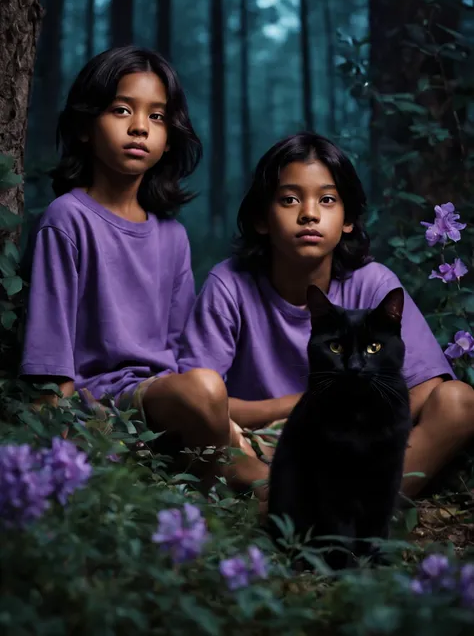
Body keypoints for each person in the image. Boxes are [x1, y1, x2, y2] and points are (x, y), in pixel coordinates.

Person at [178, 132, 474, 499]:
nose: (309, 214)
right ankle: (280, 505)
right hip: (261, 444)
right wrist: (290, 408)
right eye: (289, 199)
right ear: (261, 219)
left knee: (459, 400)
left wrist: (339, 416)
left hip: (359, 445)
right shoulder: (229, 285)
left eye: (328, 200)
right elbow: (196, 399)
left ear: (347, 218)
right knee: (217, 432)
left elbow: (428, 386)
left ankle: (376, 508)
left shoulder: (373, 283)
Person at [20, 45, 261, 494]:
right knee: (209, 395)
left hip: (166, 401)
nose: (138, 128)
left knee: (217, 408)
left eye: (156, 116)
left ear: (170, 136)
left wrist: (218, 421)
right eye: (121, 110)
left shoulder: (172, 236)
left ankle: (257, 497)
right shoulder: (67, 219)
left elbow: (179, 351)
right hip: (103, 406)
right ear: (86, 126)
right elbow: (51, 362)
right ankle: (224, 500)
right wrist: (67, 445)